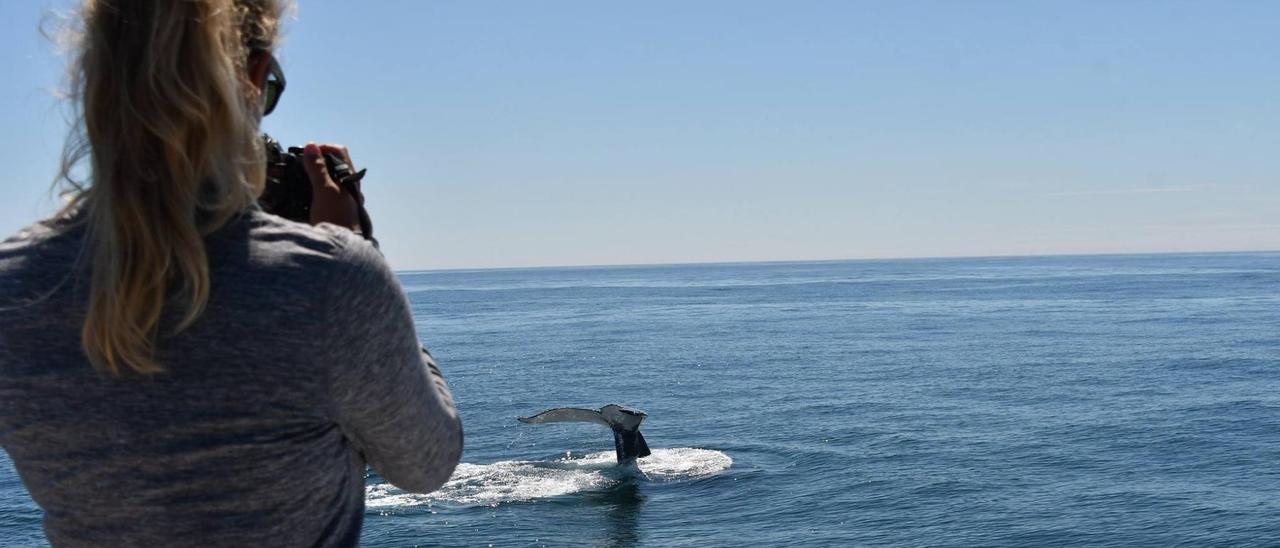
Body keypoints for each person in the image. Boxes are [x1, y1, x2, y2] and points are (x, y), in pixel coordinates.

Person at [0, 1, 462, 546]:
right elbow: (427, 463)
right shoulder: (328, 282)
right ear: (255, 77)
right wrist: (358, 249)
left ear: (91, 81)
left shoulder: (13, 291)